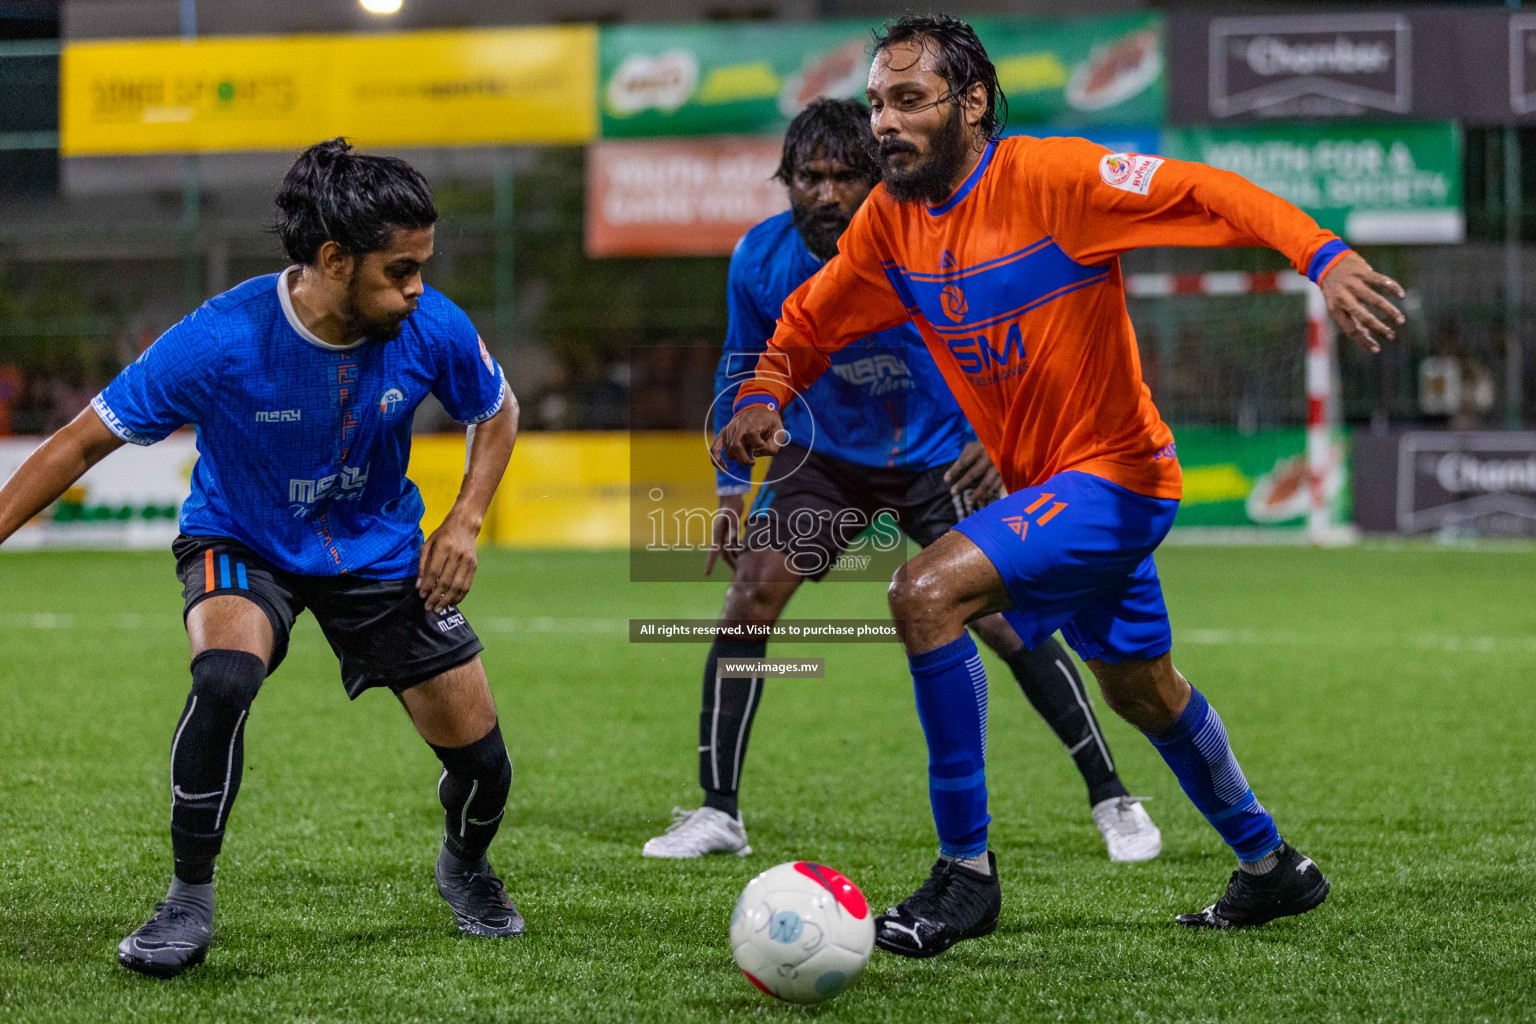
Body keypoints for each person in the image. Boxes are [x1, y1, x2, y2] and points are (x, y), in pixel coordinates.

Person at [713, 15, 1407, 957]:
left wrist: (1320, 257)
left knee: (924, 592)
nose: (883, 123)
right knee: (1144, 692)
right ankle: (1271, 866)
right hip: (1055, 490)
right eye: (877, 102)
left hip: (1116, 479)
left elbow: (1209, 189)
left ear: (973, 104)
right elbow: (810, 318)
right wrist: (766, 387)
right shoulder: (889, 219)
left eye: (908, 101)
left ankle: (966, 875)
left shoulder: (1058, 180)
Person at [0, 139, 525, 977]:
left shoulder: (434, 326)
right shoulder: (218, 340)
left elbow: (496, 412)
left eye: (424, 265)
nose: (418, 287)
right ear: (332, 259)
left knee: (485, 768)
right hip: (241, 537)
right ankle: (187, 898)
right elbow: (77, 444)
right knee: (224, 677)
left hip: (380, 550)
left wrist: (464, 521)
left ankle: (466, 866)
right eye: (400, 270)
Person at [644, 99, 1159, 865]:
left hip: (937, 451)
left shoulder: (927, 243)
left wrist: (1003, 435)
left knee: (1003, 622)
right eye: (808, 178)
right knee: (751, 591)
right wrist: (730, 486)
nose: (825, 194)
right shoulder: (759, 258)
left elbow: (1020, 335)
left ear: (878, 174)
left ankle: (1111, 796)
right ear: (786, 183)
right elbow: (744, 363)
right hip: (826, 459)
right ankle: (719, 811)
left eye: (845, 176)